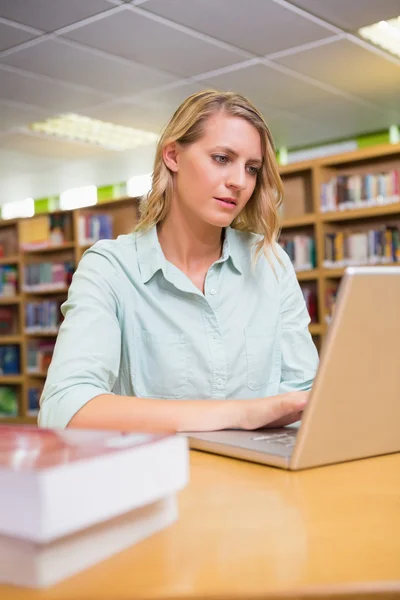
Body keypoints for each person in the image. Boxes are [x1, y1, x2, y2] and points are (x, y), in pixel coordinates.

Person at [38, 89, 319, 433]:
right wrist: (241, 414)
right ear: (173, 155)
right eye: (221, 158)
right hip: (158, 479)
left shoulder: (271, 262)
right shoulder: (109, 268)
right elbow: (64, 407)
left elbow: (305, 394)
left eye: (251, 168)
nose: (239, 182)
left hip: (264, 481)